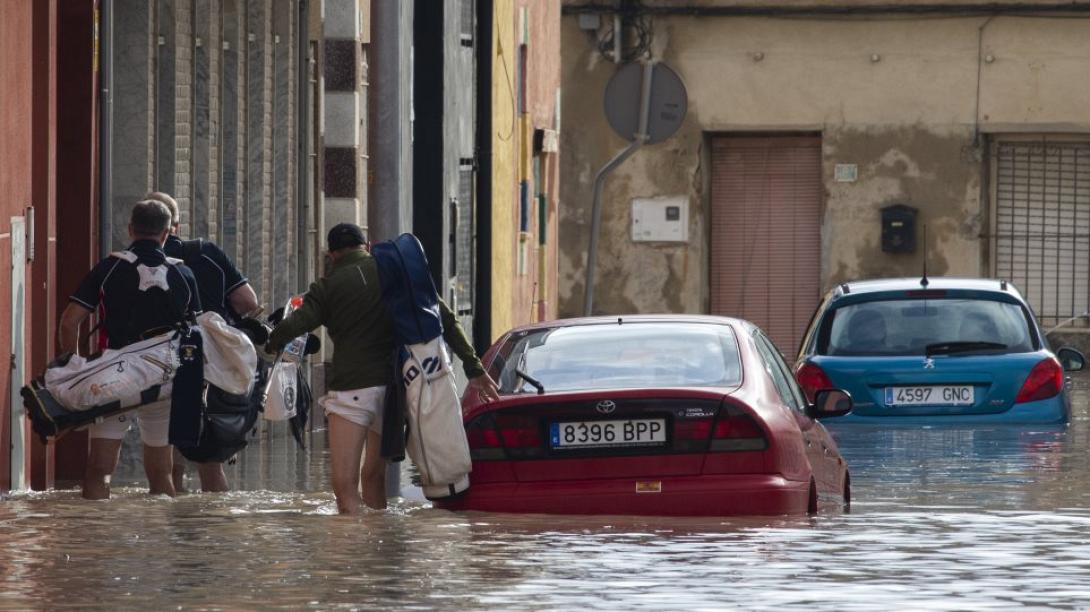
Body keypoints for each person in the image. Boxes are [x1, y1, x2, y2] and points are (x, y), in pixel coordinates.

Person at [266, 223, 500, 515]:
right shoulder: (398, 272)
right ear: (368, 244)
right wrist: (474, 368)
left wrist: (270, 343)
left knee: (344, 486)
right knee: (373, 477)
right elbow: (447, 319)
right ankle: (380, 545)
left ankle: (356, 555)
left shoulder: (327, 287)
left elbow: (295, 325)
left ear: (332, 255)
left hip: (352, 392)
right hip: (394, 393)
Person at [58, 199, 202, 500]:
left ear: (130, 230)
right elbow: (196, 335)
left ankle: (98, 541)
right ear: (166, 234)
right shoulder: (184, 275)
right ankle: (163, 542)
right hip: (164, 380)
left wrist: (73, 368)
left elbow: (70, 322)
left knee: (99, 470)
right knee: (161, 474)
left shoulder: (109, 268)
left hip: (114, 381)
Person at [146, 191, 261, 494]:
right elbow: (248, 301)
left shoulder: (138, 261)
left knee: (166, 451)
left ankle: (172, 522)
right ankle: (210, 529)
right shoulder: (206, 253)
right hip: (207, 364)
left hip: (155, 362)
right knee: (209, 460)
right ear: (176, 225)